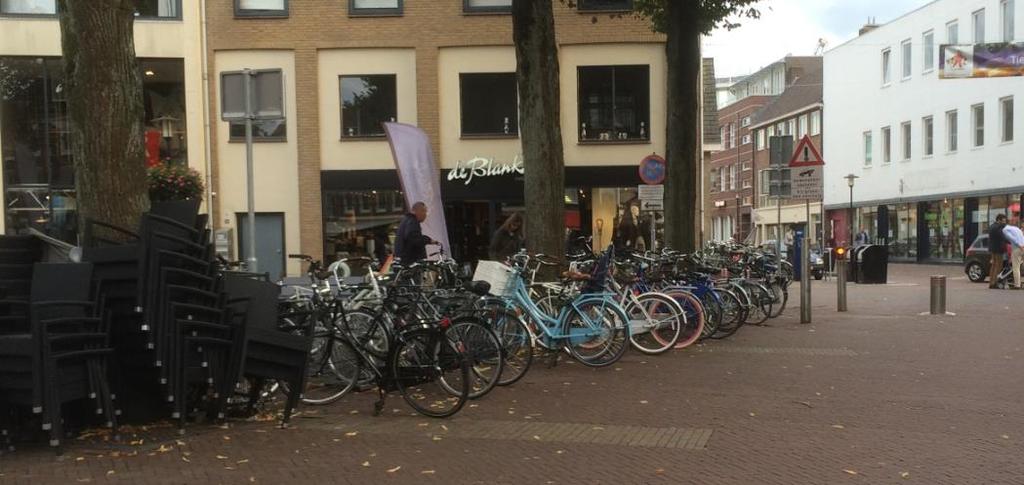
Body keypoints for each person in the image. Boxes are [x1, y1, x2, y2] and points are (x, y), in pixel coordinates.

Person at [1002, 219, 1024, 290]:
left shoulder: (1005, 230)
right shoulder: (1017, 228)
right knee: (1021, 267)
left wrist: (1019, 245)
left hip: (1017, 248)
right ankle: (1019, 283)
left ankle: (1017, 285)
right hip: (1023, 247)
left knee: (1016, 267)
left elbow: (1012, 238)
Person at [988, 214, 1008, 289]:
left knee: (993, 266)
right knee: (998, 266)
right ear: (999, 220)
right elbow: (1003, 237)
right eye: (1003, 221)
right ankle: (995, 283)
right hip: (999, 249)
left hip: (992, 249)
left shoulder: (992, 226)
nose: (1004, 222)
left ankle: (991, 282)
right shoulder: (999, 227)